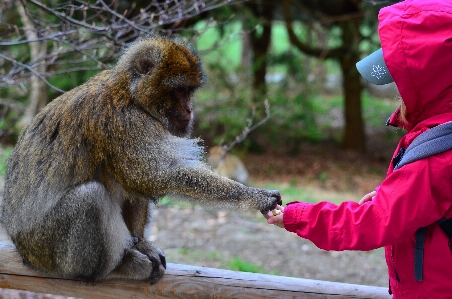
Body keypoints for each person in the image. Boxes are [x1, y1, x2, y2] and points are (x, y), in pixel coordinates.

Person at [265, 0, 452, 298]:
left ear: (428, 81)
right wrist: (398, 194)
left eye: (401, 80)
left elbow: (374, 223)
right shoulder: (442, 135)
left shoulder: (437, 153)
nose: (397, 92)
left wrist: (298, 216)